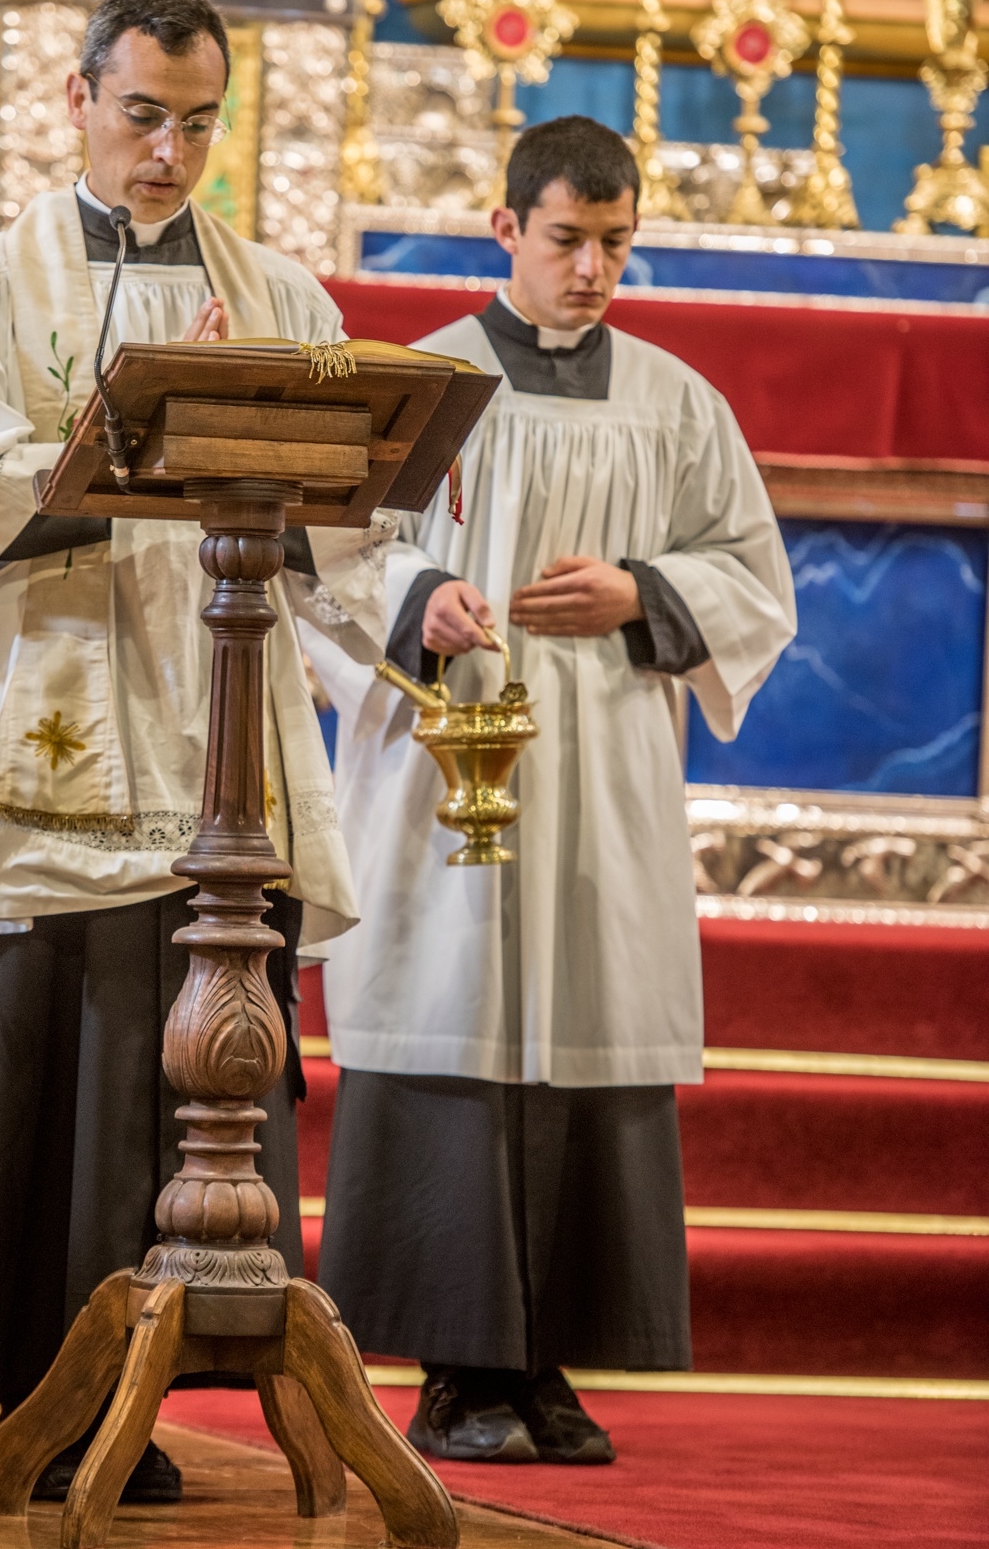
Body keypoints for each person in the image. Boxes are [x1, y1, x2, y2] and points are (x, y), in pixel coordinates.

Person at [0, 0, 385, 1503]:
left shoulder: (281, 297)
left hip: (212, 744)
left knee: (169, 1066)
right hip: (34, 732)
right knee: (43, 1063)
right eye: (144, 115)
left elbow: (349, 511)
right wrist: (137, 429)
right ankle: (42, 1389)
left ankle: (156, 1389)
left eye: (199, 123)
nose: (170, 151)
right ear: (77, 101)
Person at [305, 115, 796, 1467]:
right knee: (452, 1008)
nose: (592, 270)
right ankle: (454, 1373)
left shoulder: (678, 403)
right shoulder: (423, 386)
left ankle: (547, 1365)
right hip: (447, 757)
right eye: (569, 240)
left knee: (586, 1014)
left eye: (616, 245)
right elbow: (324, 555)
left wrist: (645, 590)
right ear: (506, 229)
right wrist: (419, 595)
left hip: (607, 767)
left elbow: (755, 579)